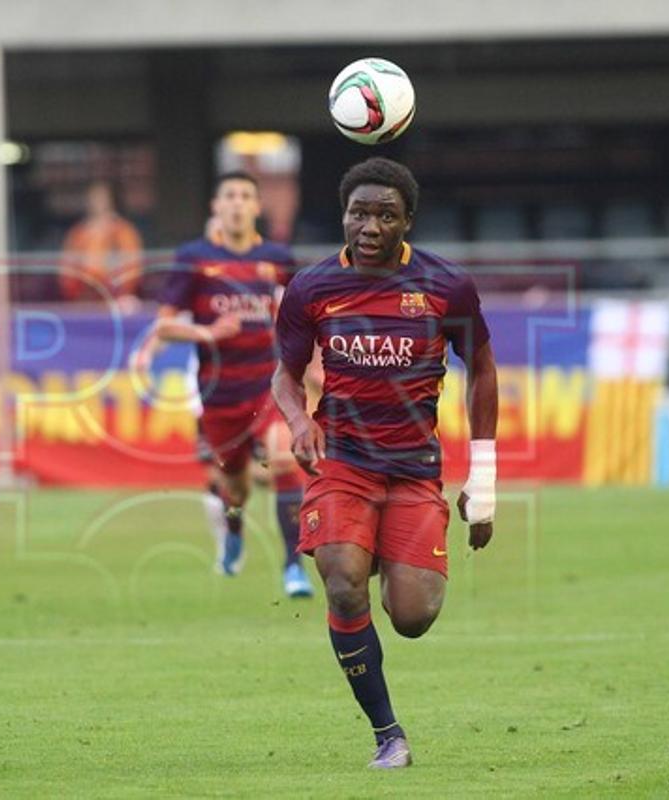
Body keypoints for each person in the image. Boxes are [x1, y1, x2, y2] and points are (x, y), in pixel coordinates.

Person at [272, 157, 498, 769]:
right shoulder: (312, 289)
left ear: (408, 222)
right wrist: (297, 423)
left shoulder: (446, 286)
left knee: (413, 616)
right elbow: (286, 376)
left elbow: (480, 369)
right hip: (341, 463)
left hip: (413, 469)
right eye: (358, 213)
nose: (370, 226)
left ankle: (368, 550)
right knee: (344, 583)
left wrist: (486, 481)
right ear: (343, 216)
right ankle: (388, 735)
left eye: (385, 215)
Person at [141, 171, 313, 597]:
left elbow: (301, 316)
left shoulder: (277, 257)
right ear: (217, 207)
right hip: (219, 394)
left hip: (267, 384)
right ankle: (234, 532)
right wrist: (206, 333)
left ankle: (294, 567)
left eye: (245, 196)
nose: (237, 203)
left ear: (257, 206)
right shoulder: (194, 258)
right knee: (233, 486)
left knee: (281, 457)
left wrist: (312, 362)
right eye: (229, 196)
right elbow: (164, 327)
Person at [59, 180, 143, 311]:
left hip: (117, 301)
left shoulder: (123, 231)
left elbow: (132, 269)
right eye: (94, 198)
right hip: (84, 301)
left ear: (111, 200)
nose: (98, 202)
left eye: (102, 198)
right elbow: (67, 272)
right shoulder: (78, 233)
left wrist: (116, 289)